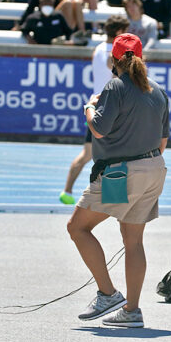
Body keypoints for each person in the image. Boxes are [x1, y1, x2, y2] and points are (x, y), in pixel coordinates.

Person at [68, 33, 169, 328]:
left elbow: (98, 129)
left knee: (77, 227)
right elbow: (163, 143)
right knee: (134, 240)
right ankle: (132, 311)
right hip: (154, 168)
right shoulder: (158, 91)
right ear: (141, 58)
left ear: (113, 60)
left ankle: (107, 293)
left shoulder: (114, 86)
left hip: (121, 172)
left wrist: (89, 106)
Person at [60, 15, 130, 205]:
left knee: (87, 154)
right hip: (110, 107)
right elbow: (119, 77)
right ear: (118, 32)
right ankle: (110, 196)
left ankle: (67, 190)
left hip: (96, 105)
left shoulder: (98, 48)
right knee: (116, 154)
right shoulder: (113, 55)